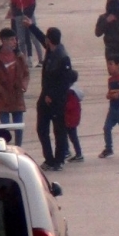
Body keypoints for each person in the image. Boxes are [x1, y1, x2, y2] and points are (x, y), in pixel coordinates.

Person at [24, 18, 73, 171]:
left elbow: (65, 82)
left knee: (59, 130)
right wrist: (31, 26)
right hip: (45, 97)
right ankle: (49, 158)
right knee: (42, 129)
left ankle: (59, 159)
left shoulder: (62, 57)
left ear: (49, 40)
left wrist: (52, 95)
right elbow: (40, 37)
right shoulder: (51, 50)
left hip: (57, 100)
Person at [0, 28, 30, 146]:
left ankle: (18, 148)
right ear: (4, 41)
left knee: (18, 128)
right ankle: (6, 149)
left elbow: (26, 73)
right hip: (3, 98)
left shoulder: (19, 56)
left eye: (15, 39)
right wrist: (0, 89)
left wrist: (24, 85)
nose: (15, 42)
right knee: (5, 128)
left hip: (17, 96)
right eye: (12, 40)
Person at [8, 0, 36, 68]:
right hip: (19, 15)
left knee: (29, 37)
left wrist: (28, 15)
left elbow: (32, 3)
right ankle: (22, 58)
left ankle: (30, 58)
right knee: (21, 39)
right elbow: (13, 2)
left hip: (28, 14)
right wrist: (15, 14)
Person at [65, 69, 84, 162]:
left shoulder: (71, 92)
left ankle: (78, 153)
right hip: (72, 117)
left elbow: (70, 105)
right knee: (71, 135)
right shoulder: (74, 90)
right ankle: (72, 152)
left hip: (70, 118)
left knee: (72, 136)